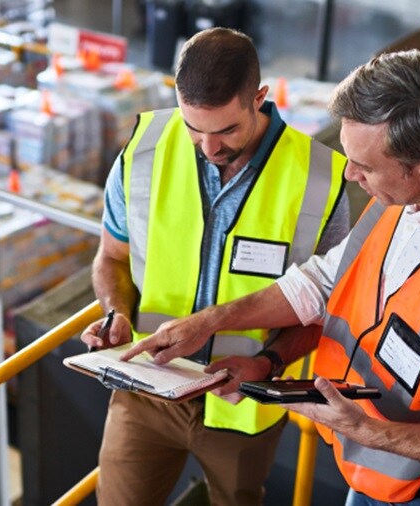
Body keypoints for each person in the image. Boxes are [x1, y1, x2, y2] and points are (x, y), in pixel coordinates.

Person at [122, 50, 420, 505]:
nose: (351, 175)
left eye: (364, 166)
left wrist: (365, 430)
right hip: (377, 476)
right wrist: (212, 322)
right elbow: (324, 281)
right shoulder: (411, 193)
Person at [80, 27, 351, 505]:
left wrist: (269, 362)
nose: (209, 148)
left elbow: (327, 309)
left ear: (259, 99)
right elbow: (113, 256)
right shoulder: (143, 150)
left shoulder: (320, 179)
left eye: (227, 129)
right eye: (193, 128)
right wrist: (115, 311)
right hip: (145, 386)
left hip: (243, 408)